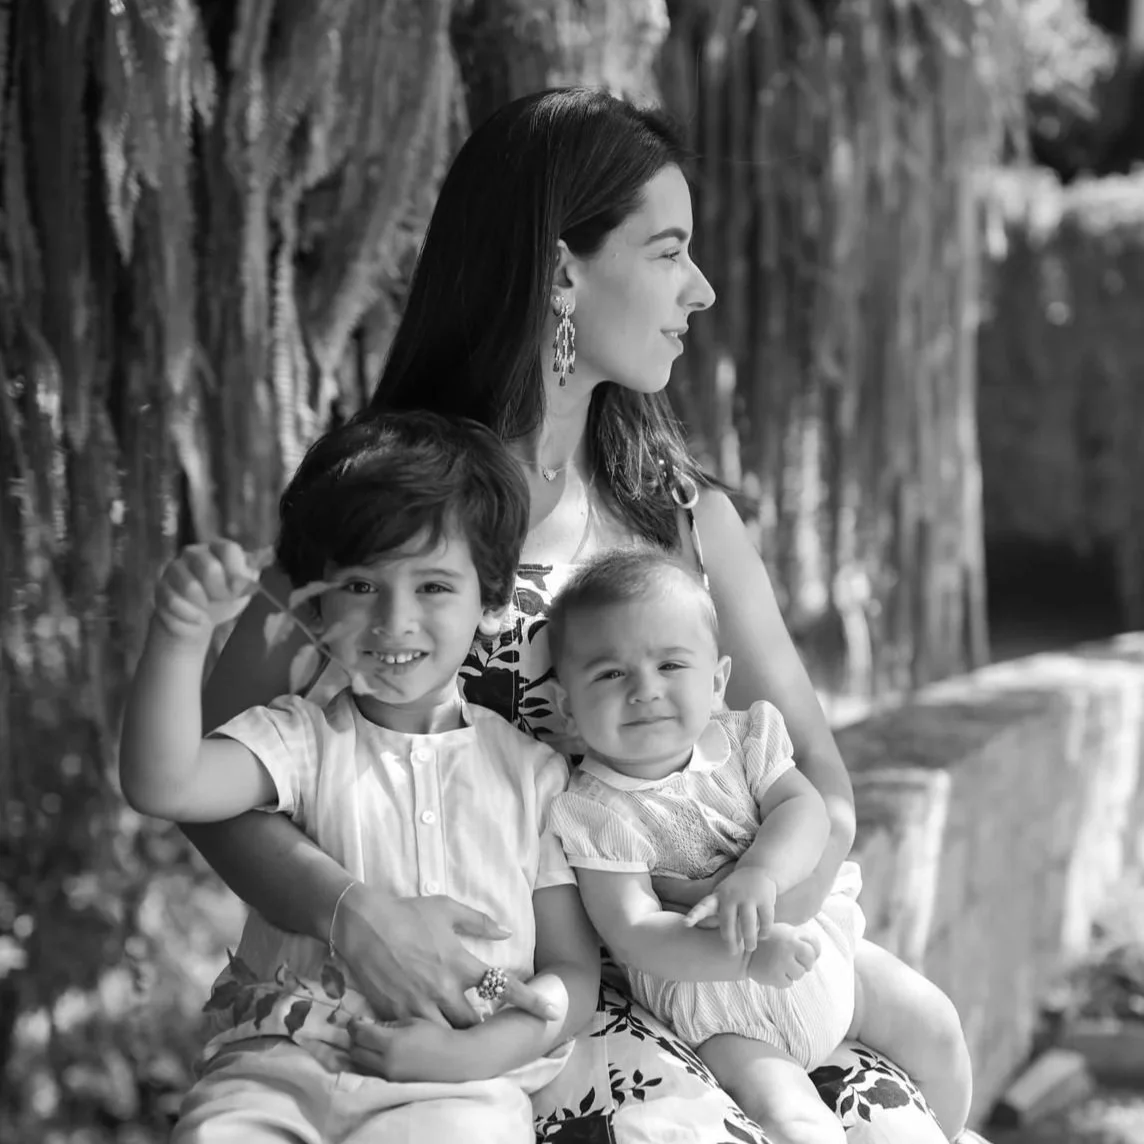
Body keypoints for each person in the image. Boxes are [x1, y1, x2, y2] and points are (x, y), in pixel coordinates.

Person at [185, 87, 981, 1143]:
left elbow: (821, 794)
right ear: (562, 270)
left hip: (722, 970)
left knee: (904, 1114)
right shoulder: (384, 508)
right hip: (513, 1012)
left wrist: (739, 928)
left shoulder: (689, 522)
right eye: (666, 252)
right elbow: (211, 777)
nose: (699, 290)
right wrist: (347, 907)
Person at [120, 411, 601, 1143]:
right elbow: (166, 784)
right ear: (316, 609)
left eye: (434, 586)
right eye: (361, 586)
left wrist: (484, 1044)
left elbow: (571, 970)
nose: (395, 621)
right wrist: (180, 633)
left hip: (451, 1091)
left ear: (493, 599)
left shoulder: (531, 775)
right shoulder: (300, 739)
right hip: (278, 1070)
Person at [543, 549, 973, 1144]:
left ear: (717, 680)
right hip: (718, 1013)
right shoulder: (594, 810)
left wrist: (762, 875)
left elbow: (806, 810)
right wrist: (742, 956)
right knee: (793, 1122)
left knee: (937, 1025)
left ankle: (952, 1134)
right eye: (610, 674)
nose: (645, 690)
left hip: (826, 956)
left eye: (670, 665)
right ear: (567, 705)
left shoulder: (746, 741)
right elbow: (635, 931)